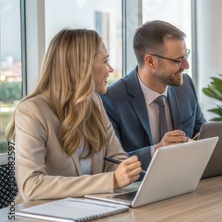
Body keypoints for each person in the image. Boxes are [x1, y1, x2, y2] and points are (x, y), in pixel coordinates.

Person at [5, 29, 142, 203]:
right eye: (105, 61)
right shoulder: (31, 111)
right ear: (82, 67)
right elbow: (31, 186)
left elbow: (116, 158)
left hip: (90, 208)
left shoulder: (94, 103)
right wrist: (111, 180)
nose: (110, 69)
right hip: (42, 216)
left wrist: (125, 171)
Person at [101, 20, 206, 169]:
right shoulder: (111, 99)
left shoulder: (185, 85)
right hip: (139, 187)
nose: (186, 66)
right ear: (150, 61)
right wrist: (157, 150)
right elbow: (111, 162)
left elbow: (200, 132)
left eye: (185, 56)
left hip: (186, 178)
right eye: (178, 60)